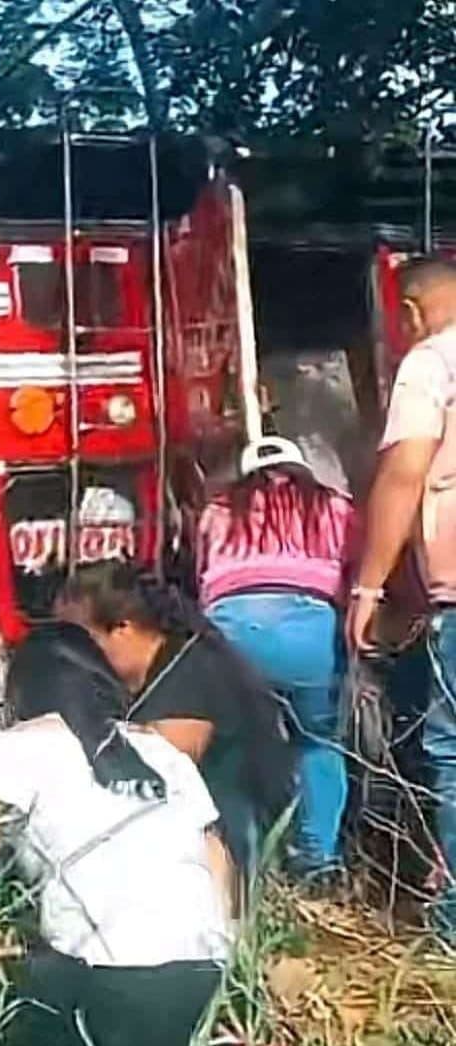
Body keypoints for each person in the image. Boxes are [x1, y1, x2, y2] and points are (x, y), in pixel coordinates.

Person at [0, 624, 231, 1046]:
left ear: (19, 692)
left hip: (105, 987)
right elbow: (216, 857)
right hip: (206, 981)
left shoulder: (18, 744)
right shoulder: (159, 751)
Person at [56, 561, 295, 880]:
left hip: (229, 854)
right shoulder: (153, 672)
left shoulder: (192, 676)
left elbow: (152, 773)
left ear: (123, 629)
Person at [348, 255, 456, 942]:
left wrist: (369, 586)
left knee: (452, 754)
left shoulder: (432, 362)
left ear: (411, 311)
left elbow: (404, 474)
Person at [196, 435, 355, 886]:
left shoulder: (220, 510)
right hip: (311, 632)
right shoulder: (334, 507)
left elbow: (202, 576)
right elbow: (353, 566)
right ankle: (317, 862)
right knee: (318, 743)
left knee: (234, 746)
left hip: (232, 632)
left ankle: (241, 862)